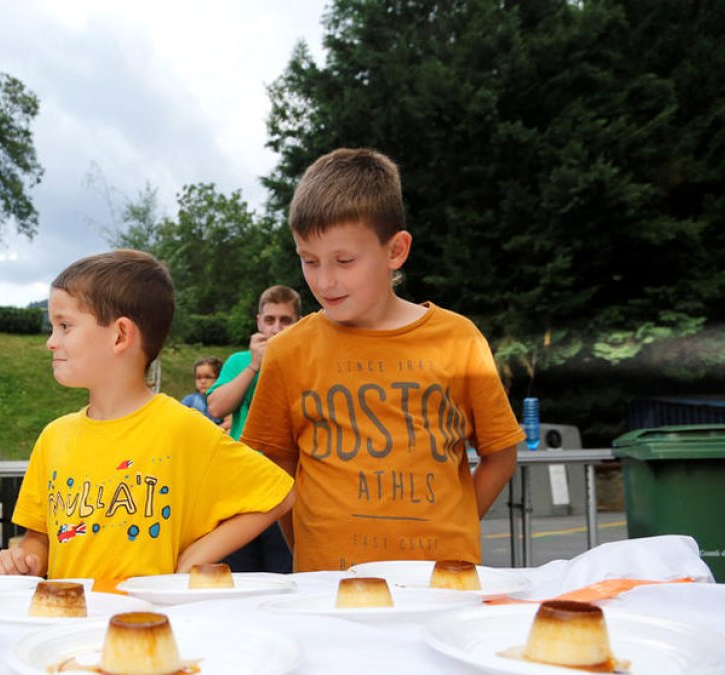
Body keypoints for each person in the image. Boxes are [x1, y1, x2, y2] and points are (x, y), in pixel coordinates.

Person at [240, 148, 522, 572]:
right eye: (309, 261)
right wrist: (311, 549)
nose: (325, 280)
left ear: (396, 251)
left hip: (441, 584)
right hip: (329, 587)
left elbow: (500, 453)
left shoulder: (458, 338)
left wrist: (457, 526)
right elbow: (278, 465)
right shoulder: (287, 352)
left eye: (344, 261)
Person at [0, 249, 295, 581]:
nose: (51, 341)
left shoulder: (181, 427)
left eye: (64, 326)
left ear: (120, 335)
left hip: (153, 626)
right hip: (72, 626)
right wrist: (23, 563)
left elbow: (278, 494)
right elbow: (39, 539)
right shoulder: (53, 438)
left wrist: (195, 556)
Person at [205, 285, 301, 573]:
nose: (276, 328)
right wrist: (255, 366)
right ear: (258, 321)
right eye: (270, 320)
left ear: (299, 322)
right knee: (238, 575)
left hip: (287, 484)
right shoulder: (239, 361)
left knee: (284, 574)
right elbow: (216, 407)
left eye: (285, 320)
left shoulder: (305, 360)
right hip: (241, 485)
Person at [180, 356, 226, 427]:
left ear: (219, 378)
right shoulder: (190, 400)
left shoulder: (225, 401)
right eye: (198, 378)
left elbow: (229, 423)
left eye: (208, 377)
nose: (202, 381)